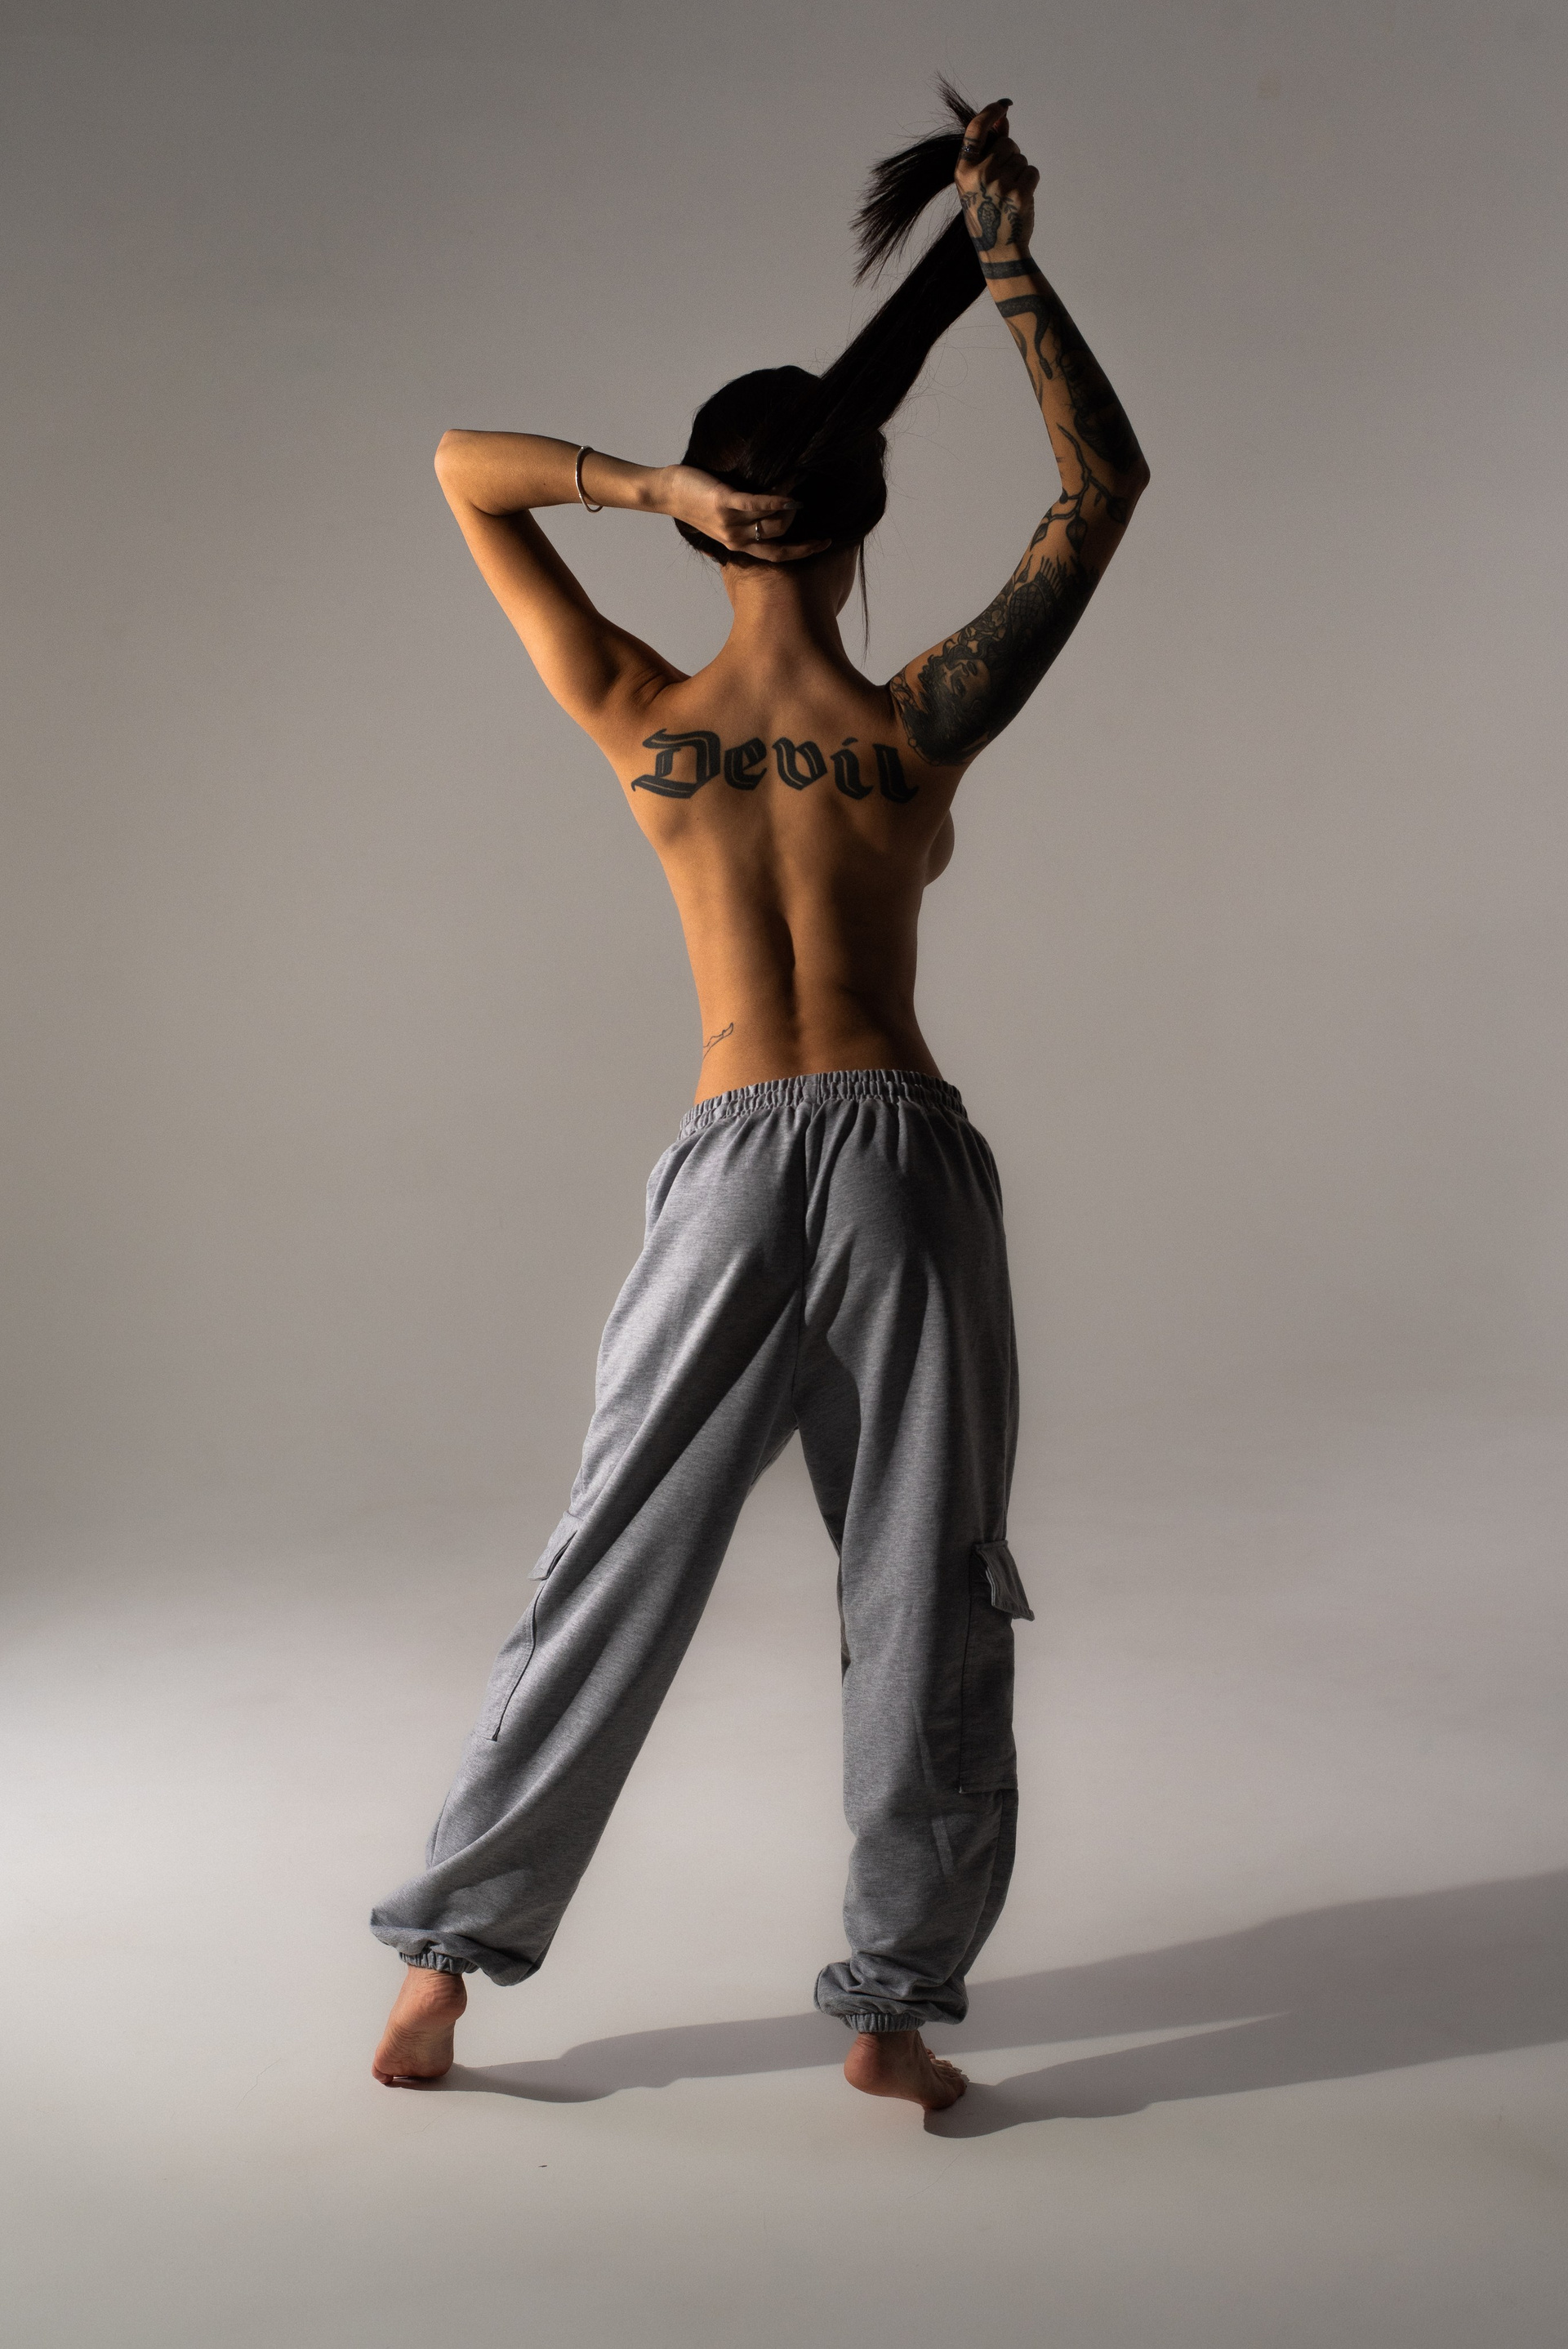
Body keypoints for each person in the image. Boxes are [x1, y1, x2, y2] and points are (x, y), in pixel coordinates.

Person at [371, 88, 1148, 2112]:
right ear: (867, 518)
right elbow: (1102, 491)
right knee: (924, 1578)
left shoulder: (645, 714)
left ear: (716, 517)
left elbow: (462, 471)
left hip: (728, 1162)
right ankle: (891, 2009)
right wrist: (1004, 264)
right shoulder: (914, 727)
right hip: (895, 1150)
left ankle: (443, 1973)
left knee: (612, 1555)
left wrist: (644, 487)